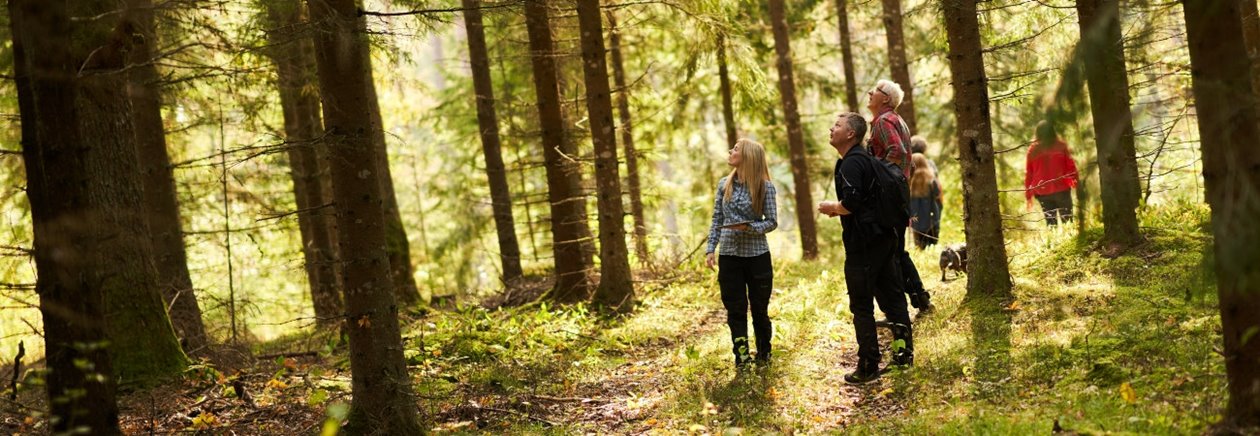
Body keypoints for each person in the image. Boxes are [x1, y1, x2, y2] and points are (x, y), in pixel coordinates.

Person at [818, 112, 914, 384]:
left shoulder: (851, 163)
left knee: (861, 304)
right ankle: (903, 356)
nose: (831, 128)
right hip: (884, 237)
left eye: (837, 125)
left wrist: (833, 208)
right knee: (893, 298)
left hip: (863, 243)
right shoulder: (867, 159)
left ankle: (869, 365)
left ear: (850, 134)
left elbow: (852, 202)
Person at [705, 138, 779, 368]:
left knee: (759, 309)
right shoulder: (723, 184)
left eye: (736, 149)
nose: (730, 151)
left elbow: (772, 222)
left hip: (757, 257)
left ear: (747, 156)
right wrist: (711, 249)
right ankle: (742, 358)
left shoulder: (765, 187)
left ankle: (764, 355)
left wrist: (749, 228)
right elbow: (717, 218)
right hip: (729, 257)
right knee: (735, 309)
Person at [865, 79, 931, 312]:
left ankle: (915, 301)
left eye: (875, 91)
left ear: (886, 99)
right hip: (897, 192)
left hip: (888, 195)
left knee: (893, 252)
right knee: (896, 250)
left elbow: (897, 151)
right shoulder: (895, 120)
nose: (870, 93)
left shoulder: (884, 121)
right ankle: (918, 300)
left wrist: (874, 169)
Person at [1024, 121, 1079, 226]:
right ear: (1052, 131)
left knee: (1051, 223)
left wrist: (1028, 195)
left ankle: (1054, 242)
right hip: (1061, 190)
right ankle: (1069, 241)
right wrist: (1077, 184)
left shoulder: (1033, 149)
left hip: (1042, 191)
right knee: (1068, 221)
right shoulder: (1061, 146)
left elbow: (1029, 174)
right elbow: (1071, 166)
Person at [909, 153, 942, 249]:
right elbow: (937, 194)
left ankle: (920, 247)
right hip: (930, 214)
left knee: (919, 241)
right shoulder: (931, 179)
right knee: (931, 239)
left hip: (915, 216)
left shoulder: (909, 180)